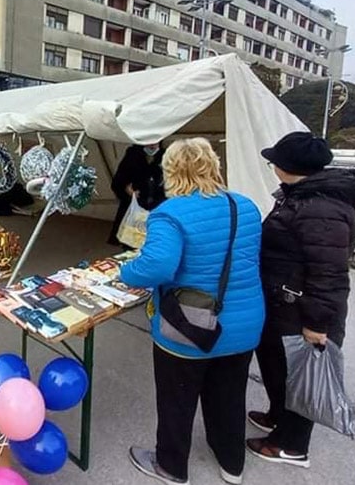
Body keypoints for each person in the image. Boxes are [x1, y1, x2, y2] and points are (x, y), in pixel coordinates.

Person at [119, 137, 265, 485]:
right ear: (213, 165)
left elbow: (157, 267)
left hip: (188, 324)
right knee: (230, 396)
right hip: (243, 324)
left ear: (171, 171)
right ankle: (232, 464)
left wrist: (125, 272)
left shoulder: (169, 213)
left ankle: (171, 466)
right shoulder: (245, 206)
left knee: (177, 399)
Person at [247, 132, 355, 469]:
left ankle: (291, 446)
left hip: (302, 311)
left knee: (300, 375)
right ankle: (278, 416)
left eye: (274, 161)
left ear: (289, 166)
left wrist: (316, 324)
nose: (272, 166)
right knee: (278, 368)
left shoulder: (320, 209)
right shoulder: (300, 196)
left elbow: (329, 274)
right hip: (283, 303)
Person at [108, 143, 166, 246]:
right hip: (134, 206)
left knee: (155, 241)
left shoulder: (165, 156)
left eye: (156, 141)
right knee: (131, 240)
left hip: (157, 205)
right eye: (150, 141)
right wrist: (127, 190)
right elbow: (118, 182)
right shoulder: (133, 155)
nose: (153, 145)